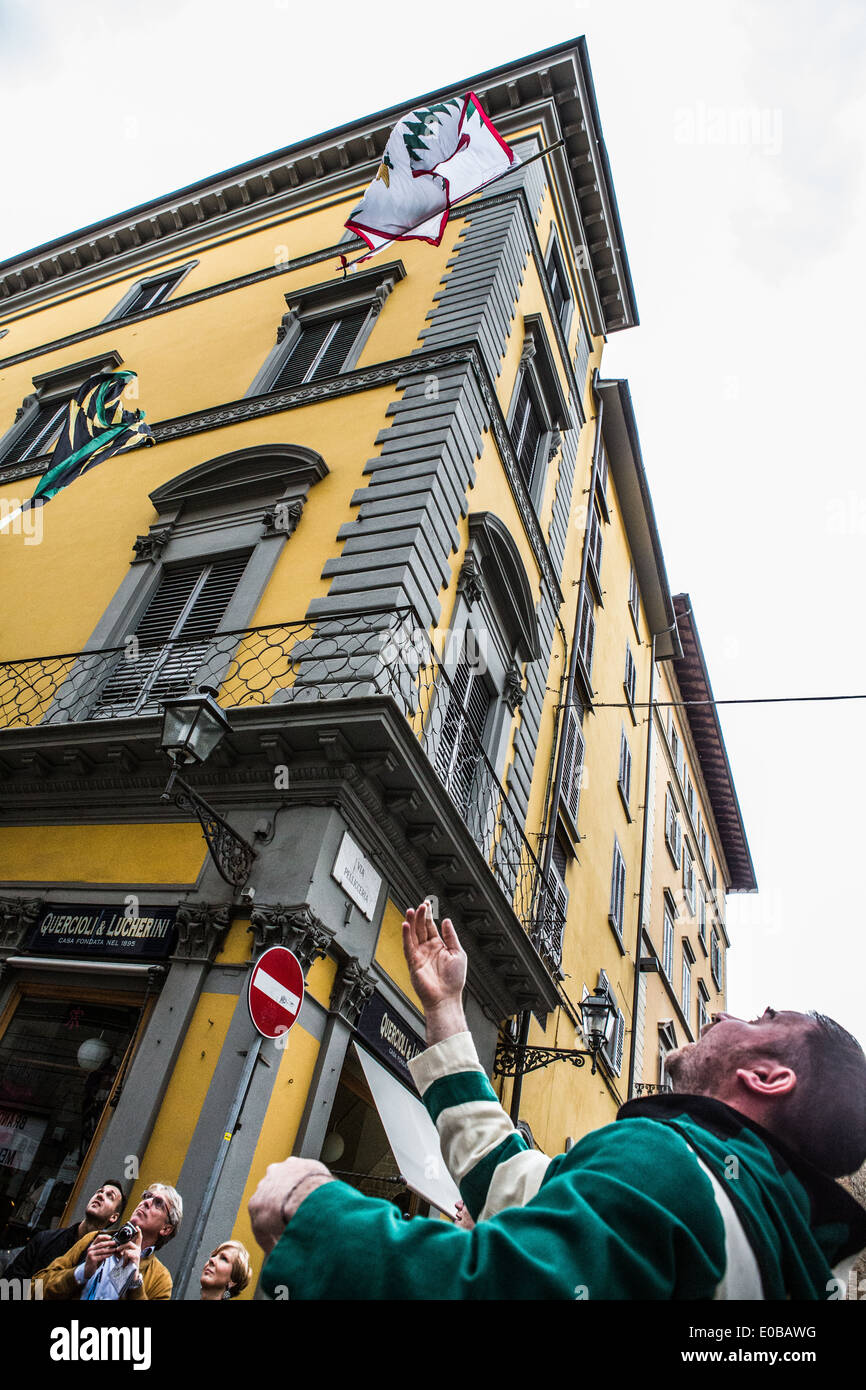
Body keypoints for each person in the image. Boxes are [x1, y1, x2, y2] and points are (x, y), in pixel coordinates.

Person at [250, 902, 866, 1300]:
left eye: (760, 1019)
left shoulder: (675, 1170)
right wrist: (445, 1014)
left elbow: (492, 1289)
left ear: (767, 1076)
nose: (723, 1012)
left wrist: (318, 1213)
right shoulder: (792, 1267)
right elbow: (513, 1181)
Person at [39, 1183, 182, 1300]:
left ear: (166, 1228)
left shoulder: (161, 1279)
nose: (146, 1202)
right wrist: (81, 1272)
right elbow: (36, 1288)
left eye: (158, 1203)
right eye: (146, 1196)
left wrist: (133, 1284)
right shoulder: (95, 1239)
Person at [3, 1179, 125, 1284]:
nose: (100, 1195)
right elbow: (9, 1284)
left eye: (110, 1196)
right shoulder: (45, 1239)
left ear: (114, 1217)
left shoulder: (105, 1262)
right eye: (100, 1191)